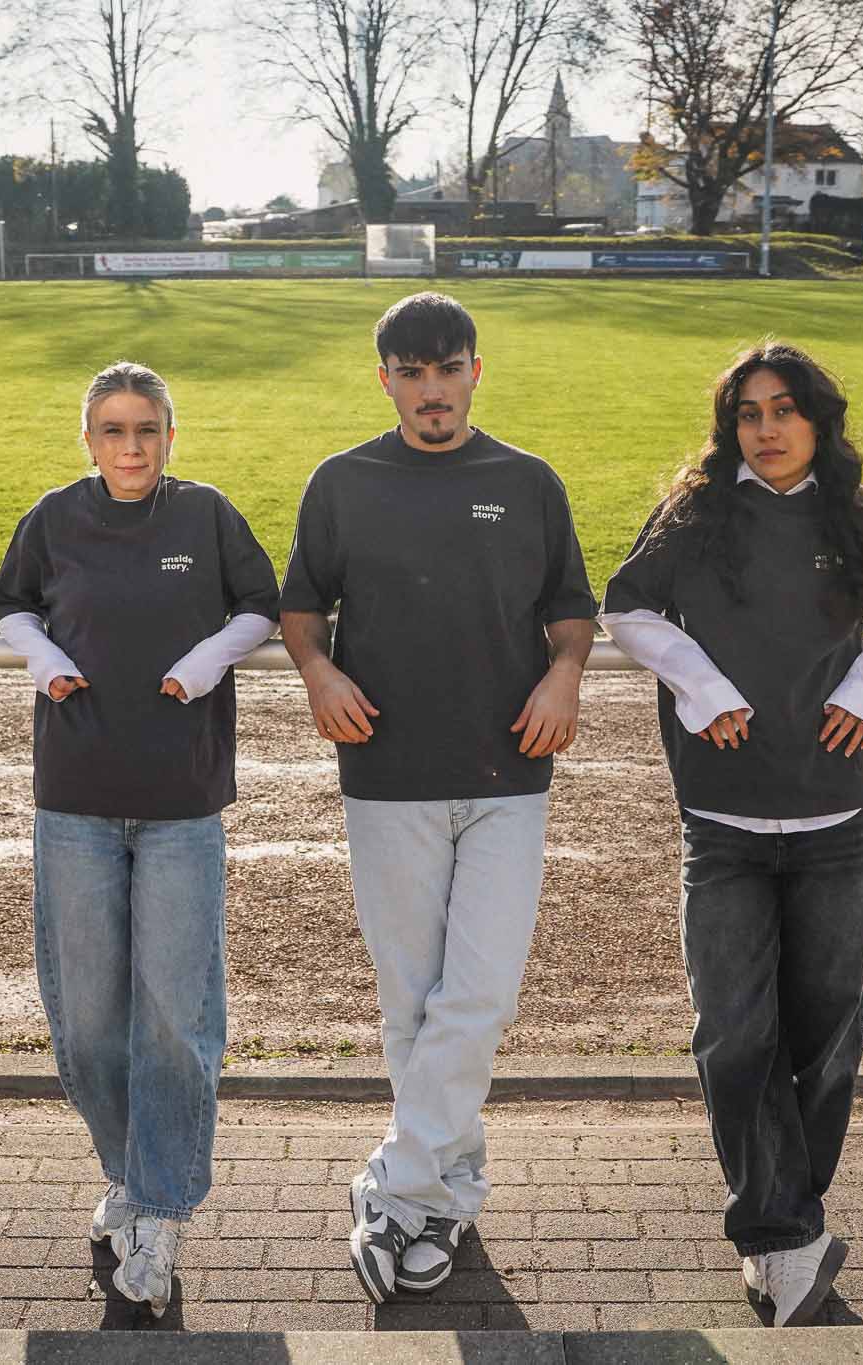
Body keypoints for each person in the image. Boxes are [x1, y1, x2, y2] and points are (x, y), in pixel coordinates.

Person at [599, 341, 863, 1326]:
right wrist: (700, 686)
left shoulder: (858, 517)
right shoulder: (696, 515)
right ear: (730, 428)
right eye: (748, 412)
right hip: (721, 823)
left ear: (816, 420)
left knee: (824, 1030)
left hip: (836, 817)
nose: (766, 427)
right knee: (731, 1031)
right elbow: (623, 609)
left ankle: (785, 1217)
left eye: (783, 408)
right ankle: (777, 1234)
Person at [278, 292, 596, 1302]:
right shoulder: (342, 481)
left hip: (509, 774)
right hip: (386, 776)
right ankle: (445, 1198)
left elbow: (571, 611)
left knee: (481, 992)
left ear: (473, 371)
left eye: (446, 368)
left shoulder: (527, 480)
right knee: (410, 1001)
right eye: (410, 373)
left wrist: (564, 678)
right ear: (385, 381)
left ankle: (391, 1185)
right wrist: (318, 675)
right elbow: (298, 608)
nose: (430, 390)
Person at [0, 360, 280, 1318]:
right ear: (88, 439)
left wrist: (204, 663)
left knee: (172, 1018)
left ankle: (158, 1211)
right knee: (86, 1019)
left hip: (181, 803)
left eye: (147, 429)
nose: (131, 447)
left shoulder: (206, 516)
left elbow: (259, 608)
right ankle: (130, 1171)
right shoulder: (53, 517)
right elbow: (12, 603)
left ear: (169, 434)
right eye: (112, 430)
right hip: (72, 797)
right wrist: (42, 655)